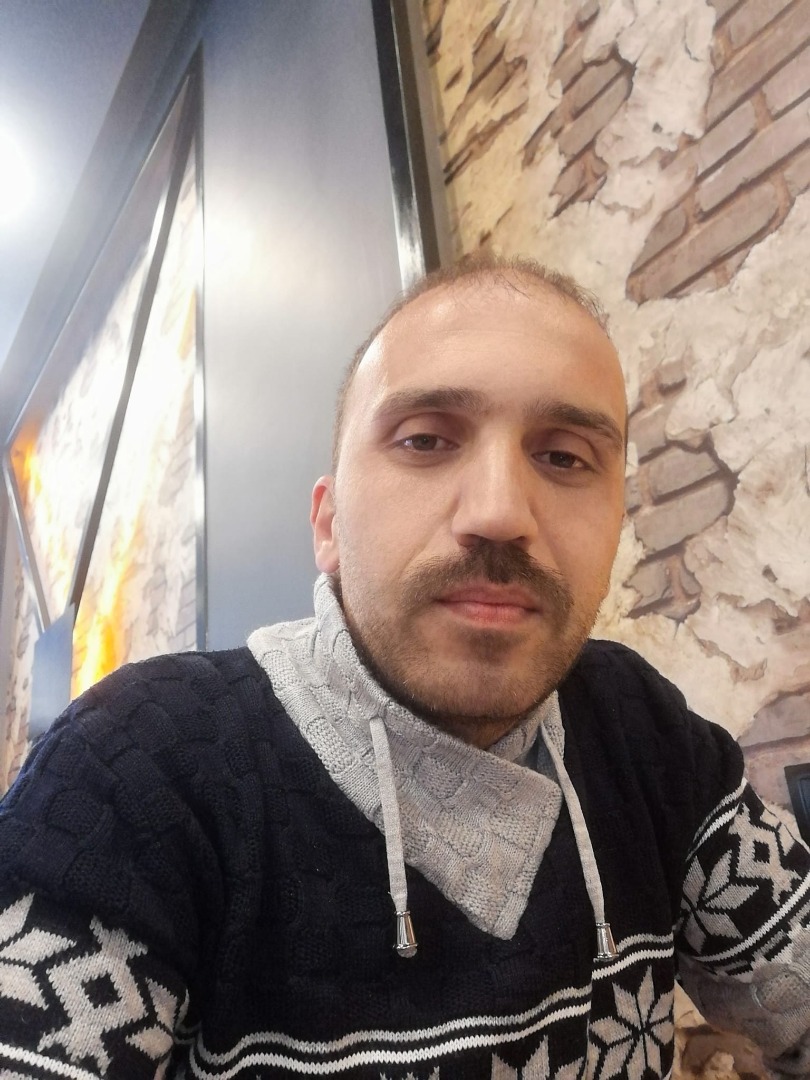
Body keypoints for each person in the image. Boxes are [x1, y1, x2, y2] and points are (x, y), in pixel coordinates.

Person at [1, 255, 808, 1080]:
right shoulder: (135, 773)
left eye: (565, 457)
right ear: (328, 525)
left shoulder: (641, 730)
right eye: (425, 440)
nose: (499, 512)